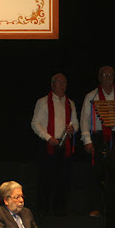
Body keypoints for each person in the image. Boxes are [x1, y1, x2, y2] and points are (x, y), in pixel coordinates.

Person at [80, 65, 115, 216]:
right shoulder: (91, 96)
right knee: (97, 174)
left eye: (110, 75)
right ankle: (96, 207)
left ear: (114, 77)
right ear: (99, 77)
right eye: (104, 75)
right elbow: (84, 120)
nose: (107, 78)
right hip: (99, 138)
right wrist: (87, 140)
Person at [30, 72, 79, 216]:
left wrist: (73, 129)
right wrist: (47, 137)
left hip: (65, 145)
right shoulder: (43, 102)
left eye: (64, 83)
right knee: (46, 180)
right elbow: (35, 123)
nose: (62, 86)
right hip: (48, 145)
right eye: (59, 82)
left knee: (64, 179)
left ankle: (60, 210)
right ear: (52, 85)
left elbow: (75, 123)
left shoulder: (70, 103)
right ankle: (43, 211)